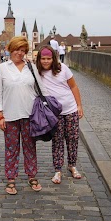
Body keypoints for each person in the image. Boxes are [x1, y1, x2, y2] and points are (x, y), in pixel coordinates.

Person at [0, 36, 47, 195]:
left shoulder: (31, 67)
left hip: (30, 114)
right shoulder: (1, 69)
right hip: (10, 115)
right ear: (10, 49)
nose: (20, 53)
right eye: (17, 49)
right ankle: (11, 178)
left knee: (30, 147)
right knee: (11, 148)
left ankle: (32, 176)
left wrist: (46, 109)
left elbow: (41, 89)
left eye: (23, 50)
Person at [36, 45, 84, 184]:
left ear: (53, 58)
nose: (46, 61)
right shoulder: (37, 72)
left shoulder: (63, 68)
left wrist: (79, 105)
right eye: (43, 58)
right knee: (57, 141)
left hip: (70, 109)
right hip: (53, 113)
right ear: (39, 59)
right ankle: (58, 170)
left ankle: (72, 165)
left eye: (48, 58)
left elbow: (73, 86)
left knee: (72, 138)